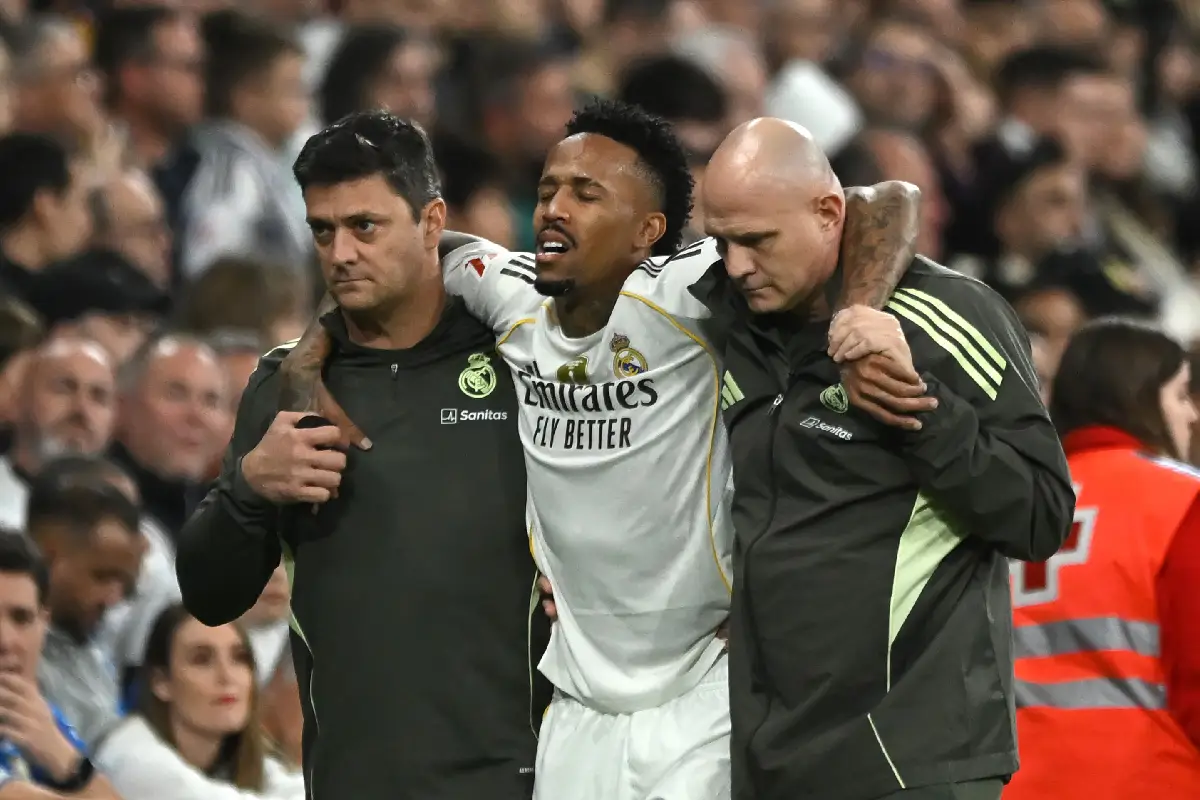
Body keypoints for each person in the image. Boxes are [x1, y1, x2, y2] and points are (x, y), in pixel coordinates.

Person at [273, 105, 926, 800]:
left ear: (648, 231)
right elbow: (399, 253)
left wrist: (862, 312)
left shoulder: (690, 289)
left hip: (702, 693)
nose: (554, 208)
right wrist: (311, 350)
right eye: (548, 189)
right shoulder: (505, 289)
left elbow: (885, 199)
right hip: (576, 706)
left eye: (587, 195)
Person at [691, 118, 1074, 800]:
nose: (737, 264)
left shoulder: (947, 316)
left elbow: (1041, 515)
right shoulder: (726, 315)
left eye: (756, 240)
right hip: (766, 752)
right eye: (721, 242)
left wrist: (915, 404)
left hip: (909, 752)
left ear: (827, 212)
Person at [175, 113, 551, 799]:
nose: (341, 252)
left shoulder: (524, 364)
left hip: (519, 779)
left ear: (431, 222)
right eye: (323, 231)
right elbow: (208, 596)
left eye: (365, 226)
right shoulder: (285, 386)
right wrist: (251, 487)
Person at [1006, 318, 1200, 800]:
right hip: (1153, 779)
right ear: (1139, 397)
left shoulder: (1008, 503)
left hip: (1019, 784)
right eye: (1180, 395)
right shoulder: (1184, 500)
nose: (1192, 415)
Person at [93, 603, 305, 800]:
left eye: (239, 658)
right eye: (202, 659)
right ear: (161, 682)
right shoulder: (133, 759)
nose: (227, 676)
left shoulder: (237, 759)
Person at [0, 531, 121, 799]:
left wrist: (66, 759)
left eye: (21, 618)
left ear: (43, 625)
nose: (6, 641)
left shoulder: (37, 717)